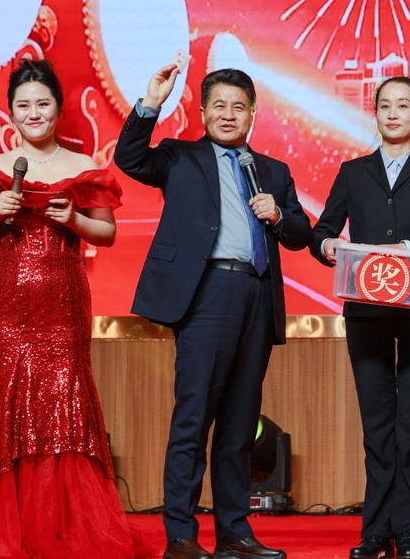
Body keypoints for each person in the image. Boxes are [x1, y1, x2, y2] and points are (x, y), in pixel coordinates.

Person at [114, 64, 312, 559]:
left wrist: (279, 215)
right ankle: (180, 536)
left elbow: (300, 233)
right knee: (194, 417)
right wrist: (151, 103)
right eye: (218, 105)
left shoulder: (274, 171)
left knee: (241, 424)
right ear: (203, 112)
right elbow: (129, 158)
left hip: (256, 295)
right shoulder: (179, 157)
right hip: (205, 294)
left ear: (252, 114)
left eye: (238, 106)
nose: (228, 114)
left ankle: (234, 534)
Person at [0, 58, 135, 558]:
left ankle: (61, 525)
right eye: (23, 105)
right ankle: (6, 529)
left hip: (63, 305)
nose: (33, 113)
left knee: (62, 401)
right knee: (6, 398)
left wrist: (74, 218)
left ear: (59, 109)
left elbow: (107, 233)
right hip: (7, 305)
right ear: (11, 112)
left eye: (43, 103)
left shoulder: (83, 165)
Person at [310, 77, 410, 559]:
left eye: (404, 105)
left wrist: (407, 248)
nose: (393, 113)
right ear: (375, 113)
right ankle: (375, 532)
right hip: (366, 313)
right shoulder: (352, 172)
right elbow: (322, 230)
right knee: (377, 426)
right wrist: (328, 244)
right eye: (385, 105)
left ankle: (408, 532)